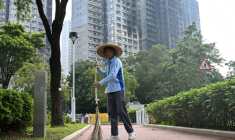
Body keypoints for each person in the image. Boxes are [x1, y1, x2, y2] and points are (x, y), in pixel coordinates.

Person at [93, 44, 136, 140]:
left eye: (109, 51)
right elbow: (106, 74)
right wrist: (98, 68)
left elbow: (112, 75)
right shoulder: (108, 64)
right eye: (106, 51)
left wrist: (99, 83)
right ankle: (115, 135)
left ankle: (131, 131)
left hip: (119, 89)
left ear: (113, 52)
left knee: (121, 111)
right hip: (110, 90)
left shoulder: (116, 61)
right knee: (112, 113)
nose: (108, 52)